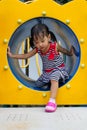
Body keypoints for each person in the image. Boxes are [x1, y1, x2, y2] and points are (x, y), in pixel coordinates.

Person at [7, 23, 75, 112]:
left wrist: (70, 53)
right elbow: (26, 55)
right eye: (36, 42)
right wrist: (12, 55)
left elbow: (63, 50)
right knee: (38, 84)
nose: (40, 45)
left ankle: (52, 101)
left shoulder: (54, 46)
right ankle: (52, 84)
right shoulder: (37, 49)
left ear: (49, 37)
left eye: (42, 41)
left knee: (54, 77)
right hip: (47, 72)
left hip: (59, 70)